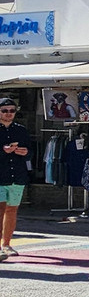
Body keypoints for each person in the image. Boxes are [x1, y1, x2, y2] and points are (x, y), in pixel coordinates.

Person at [0, 98, 29, 259]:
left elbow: (30, 151)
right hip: (1, 176)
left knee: (12, 210)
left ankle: (6, 244)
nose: (9, 114)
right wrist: (3, 150)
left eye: (12, 111)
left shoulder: (21, 130)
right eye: (5, 111)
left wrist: (25, 153)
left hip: (17, 176)